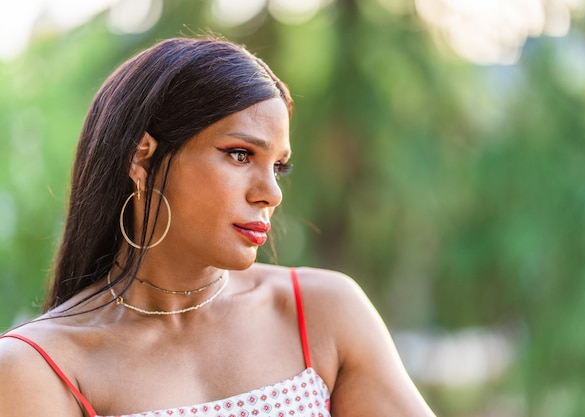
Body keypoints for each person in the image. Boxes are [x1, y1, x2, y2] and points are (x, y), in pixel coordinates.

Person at [0, 36, 436, 417]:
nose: (272, 193)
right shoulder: (38, 367)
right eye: (241, 154)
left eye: (279, 166)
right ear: (142, 156)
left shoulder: (321, 314)